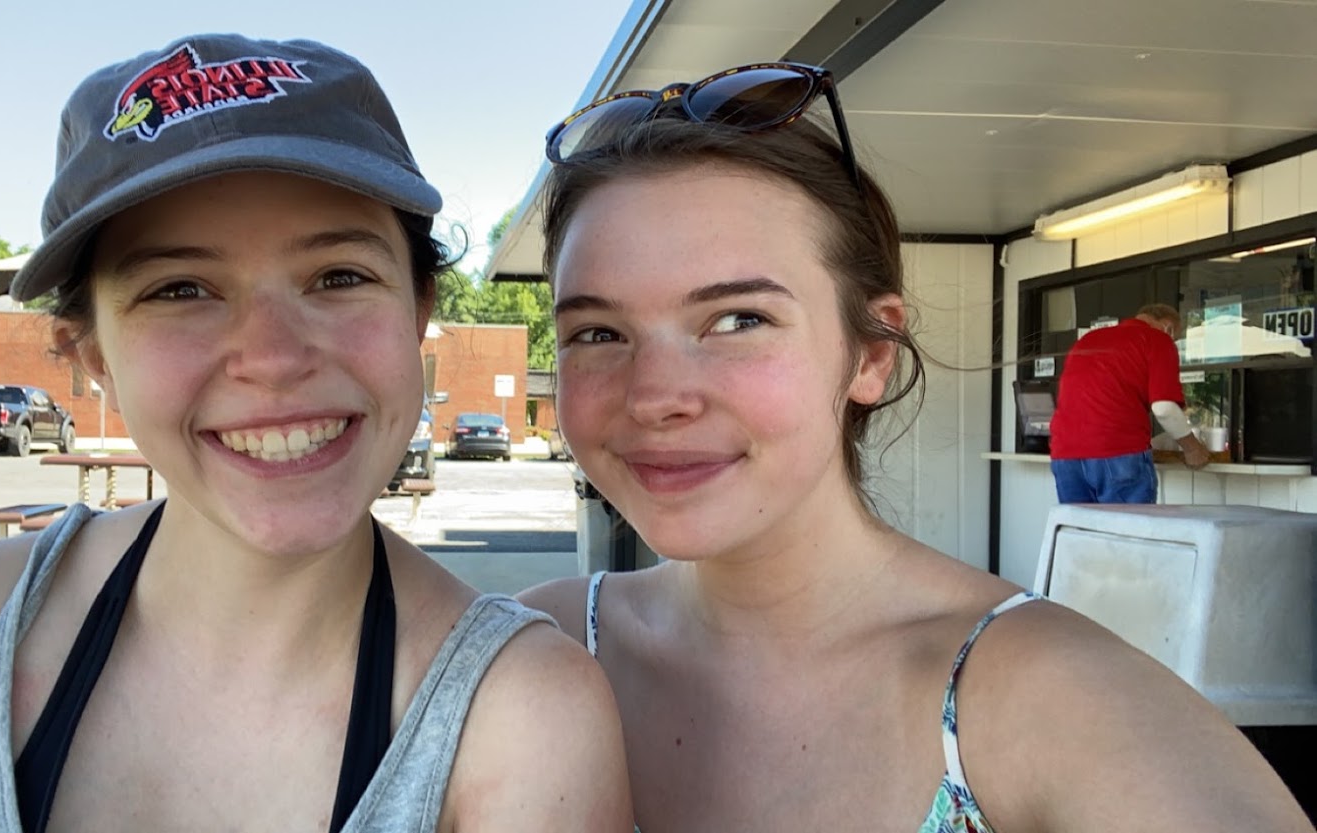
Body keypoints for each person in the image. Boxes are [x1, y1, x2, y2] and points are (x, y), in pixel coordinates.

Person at [0, 34, 631, 833]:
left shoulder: (521, 715)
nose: (273, 358)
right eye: (180, 289)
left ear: (417, 310)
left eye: (339, 276)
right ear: (91, 352)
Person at [518, 62, 1313, 832]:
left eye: (738, 320)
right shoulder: (523, 659)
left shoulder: (1054, 696)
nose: (655, 396)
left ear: (871, 353)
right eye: (597, 332)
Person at [1049, 304, 1211, 503]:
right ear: (1168, 327)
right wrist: (1192, 449)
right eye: (1175, 338)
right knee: (1128, 532)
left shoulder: (1088, 339)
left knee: (1081, 533)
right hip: (1118, 451)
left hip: (1065, 455)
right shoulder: (1157, 339)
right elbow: (1164, 408)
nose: (1173, 342)